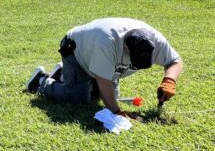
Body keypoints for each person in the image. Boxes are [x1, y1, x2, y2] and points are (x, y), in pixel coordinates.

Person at [26, 18, 183, 117]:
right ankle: (41, 81)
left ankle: (64, 75)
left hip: (99, 61)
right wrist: (117, 112)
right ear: (126, 47)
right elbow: (103, 81)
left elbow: (175, 61)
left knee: (105, 96)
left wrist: (169, 81)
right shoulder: (107, 42)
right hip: (76, 52)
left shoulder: (156, 41)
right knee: (79, 100)